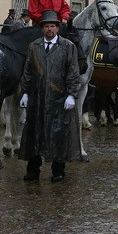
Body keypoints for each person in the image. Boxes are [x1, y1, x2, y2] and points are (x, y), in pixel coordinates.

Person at [20, 10, 80, 183]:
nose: (49, 29)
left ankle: (58, 170)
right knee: (35, 133)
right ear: (42, 29)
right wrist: (25, 92)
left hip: (59, 98)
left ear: (57, 28)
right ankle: (33, 169)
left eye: (52, 26)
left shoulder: (68, 47)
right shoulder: (34, 46)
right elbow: (28, 70)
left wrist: (72, 95)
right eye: (46, 26)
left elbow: (73, 72)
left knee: (59, 134)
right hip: (37, 98)